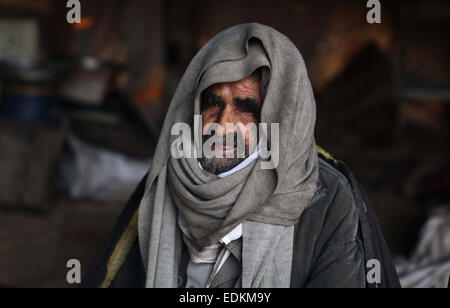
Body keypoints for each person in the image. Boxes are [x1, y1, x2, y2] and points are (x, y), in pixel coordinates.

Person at [82, 23, 400, 288]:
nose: (223, 125)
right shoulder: (164, 180)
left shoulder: (325, 200)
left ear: (281, 118)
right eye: (213, 103)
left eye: (247, 109)